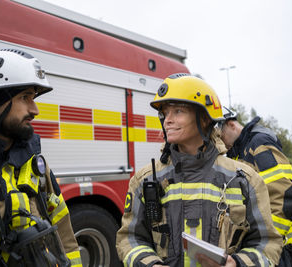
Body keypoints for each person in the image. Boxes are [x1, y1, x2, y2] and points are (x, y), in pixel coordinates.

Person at [116, 74, 282, 267]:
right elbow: (129, 238)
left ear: (204, 119)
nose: (167, 120)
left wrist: (238, 264)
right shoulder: (145, 180)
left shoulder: (245, 180)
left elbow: (268, 243)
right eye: (164, 113)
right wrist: (151, 264)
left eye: (178, 111)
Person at [0, 49, 82, 266]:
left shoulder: (35, 163)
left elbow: (64, 236)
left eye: (33, 98)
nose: (35, 109)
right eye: (24, 97)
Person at [218, 109, 292, 266]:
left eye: (220, 136)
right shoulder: (238, 153)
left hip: (283, 248)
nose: (221, 142)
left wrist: (269, 240)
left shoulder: (259, 144)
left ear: (231, 125)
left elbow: (285, 196)